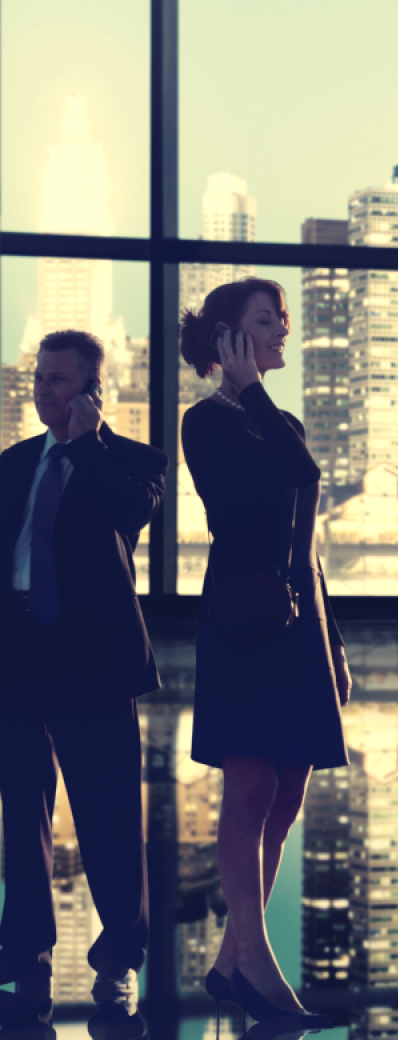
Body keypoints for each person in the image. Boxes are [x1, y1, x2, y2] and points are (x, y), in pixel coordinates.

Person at [179, 280, 346, 1031]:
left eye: (282, 320)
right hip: (245, 621)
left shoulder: (284, 420)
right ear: (227, 341)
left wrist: (333, 640)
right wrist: (244, 391)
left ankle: (227, 959)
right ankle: (257, 964)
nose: (283, 329)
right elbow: (272, 492)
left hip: (300, 621)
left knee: (287, 795)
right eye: (264, 322)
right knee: (248, 786)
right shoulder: (205, 422)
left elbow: (308, 541)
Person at [0, 330, 163, 1023]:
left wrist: (90, 444)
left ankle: (120, 955)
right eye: (40, 378)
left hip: (92, 656)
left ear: (94, 391)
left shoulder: (130, 461)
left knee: (108, 816)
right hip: (17, 648)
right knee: (23, 815)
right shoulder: (10, 464)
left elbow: (126, 517)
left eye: (60, 380)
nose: (44, 389)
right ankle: (25, 954)